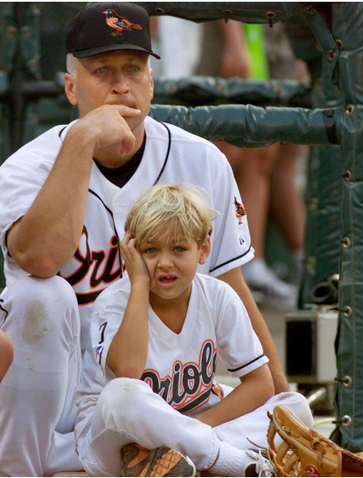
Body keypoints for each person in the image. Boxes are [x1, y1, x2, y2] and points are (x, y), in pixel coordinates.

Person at [0, 3, 297, 475]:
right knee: (40, 295)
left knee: (292, 408)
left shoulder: (200, 160)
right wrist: (81, 141)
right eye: (102, 72)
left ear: (152, 83)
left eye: (134, 70)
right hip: (69, 400)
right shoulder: (25, 169)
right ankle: (22, 468)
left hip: (175, 397)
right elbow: (40, 259)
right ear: (71, 87)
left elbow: (231, 285)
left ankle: (170, 454)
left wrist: (282, 402)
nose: (121, 85)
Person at [77, 184, 312, 476]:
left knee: (294, 408)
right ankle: (234, 463)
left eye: (178, 248)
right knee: (121, 393)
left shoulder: (219, 295)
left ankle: (176, 461)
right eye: (150, 249)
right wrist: (138, 282)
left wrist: (189, 431)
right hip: (117, 440)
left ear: (203, 250)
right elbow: (127, 371)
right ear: (132, 252)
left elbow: (260, 384)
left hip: (192, 423)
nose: (165, 262)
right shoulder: (114, 301)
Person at [196, 19, 308, 310]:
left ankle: (303, 263)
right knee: (241, 151)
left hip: (280, 37)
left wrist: (304, 54)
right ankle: (243, 263)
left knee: (281, 148)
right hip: (243, 31)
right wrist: (234, 40)